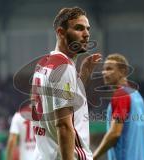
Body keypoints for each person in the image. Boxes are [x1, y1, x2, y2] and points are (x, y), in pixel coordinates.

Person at [31, 7, 101, 160]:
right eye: (79, 28)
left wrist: (82, 77)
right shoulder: (64, 68)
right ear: (60, 32)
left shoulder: (43, 64)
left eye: (87, 29)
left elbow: (56, 103)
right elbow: (63, 125)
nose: (87, 34)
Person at [93, 54, 144, 160]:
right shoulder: (137, 96)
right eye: (103, 69)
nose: (104, 73)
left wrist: (94, 156)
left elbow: (115, 133)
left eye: (109, 69)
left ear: (122, 72)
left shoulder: (120, 95)